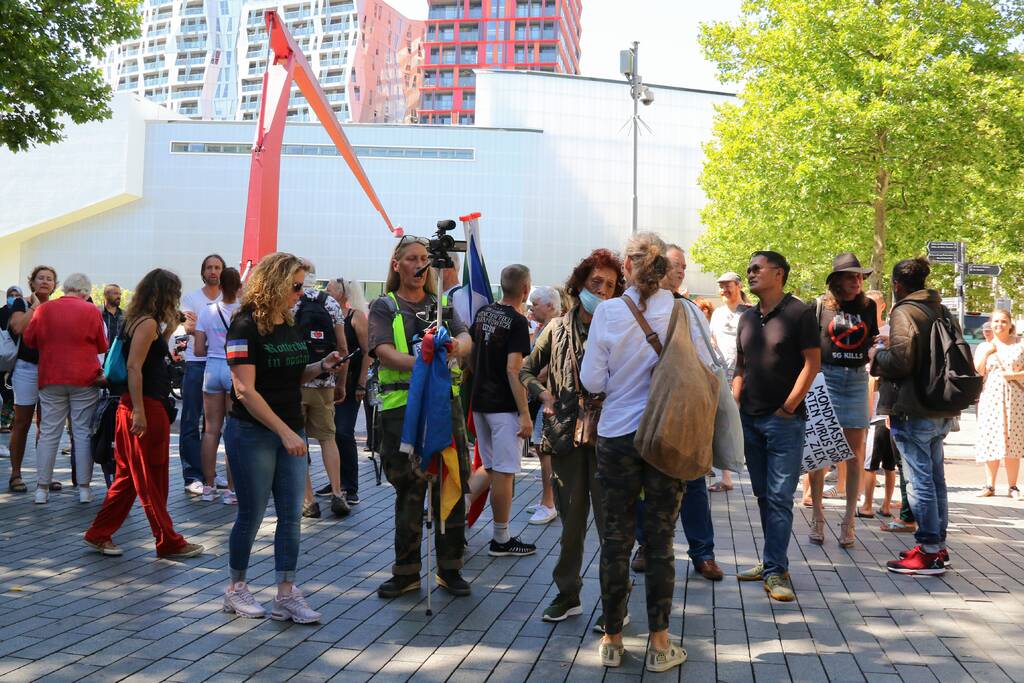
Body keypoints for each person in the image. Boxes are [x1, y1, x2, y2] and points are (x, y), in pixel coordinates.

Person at [580, 232, 687, 673]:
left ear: (627, 266)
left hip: (619, 437)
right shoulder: (683, 311)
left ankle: (612, 639)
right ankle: (661, 643)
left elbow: (592, 382)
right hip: (667, 437)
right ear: (663, 268)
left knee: (616, 539)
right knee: (660, 541)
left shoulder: (607, 312)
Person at [221, 252, 343, 623]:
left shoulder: (289, 322)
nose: (300, 294)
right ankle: (235, 589)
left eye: (302, 286)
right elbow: (245, 390)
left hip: (289, 430)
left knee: (291, 515)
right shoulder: (243, 326)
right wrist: (284, 430)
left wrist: (320, 367)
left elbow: (290, 376)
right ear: (273, 283)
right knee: (252, 514)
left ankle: (286, 594)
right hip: (252, 432)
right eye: (295, 286)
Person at [522, 250, 624, 624]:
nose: (601, 289)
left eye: (610, 285)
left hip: (610, 435)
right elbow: (527, 369)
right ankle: (568, 595)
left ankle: (616, 604)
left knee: (611, 524)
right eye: (596, 282)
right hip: (565, 435)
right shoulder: (558, 327)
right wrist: (543, 395)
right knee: (571, 522)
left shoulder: (620, 325)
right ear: (580, 283)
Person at [369, 236, 473, 599]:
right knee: (411, 487)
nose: (419, 265)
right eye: (411, 258)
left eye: (425, 259)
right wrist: (423, 367)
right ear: (397, 264)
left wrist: (458, 346)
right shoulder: (384, 306)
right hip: (403, 409)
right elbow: (382, 351)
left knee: (451, 484)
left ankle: (450, 569)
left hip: (446, 407)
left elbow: (465, 337)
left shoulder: (441, 303)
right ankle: (407, 572)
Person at [84, 269, 204, 560]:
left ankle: (99, 533)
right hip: (144, 406)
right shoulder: (146, 322)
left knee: (129, 476)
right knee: (150, 476)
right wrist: (139, 410)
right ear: (164, 293)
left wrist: (167, 329)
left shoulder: (138, 320)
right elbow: (135, 367)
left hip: (139, 405)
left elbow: (148, 356)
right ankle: (168, 540)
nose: (176, 297)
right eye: (173, 292)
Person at [633, 245, 723, 582]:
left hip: (686, 412)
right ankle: (645, 545)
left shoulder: (689, 310)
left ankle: (703, 553)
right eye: (675, 265)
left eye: (684, 266)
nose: (682, 271)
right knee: (645, 483)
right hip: (646, 410)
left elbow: (708, 359)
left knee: (694, 482)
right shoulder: (636, 307)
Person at [734, 251, 820, 602]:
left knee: (781, 498)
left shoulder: (800, 313)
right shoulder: (747, 318)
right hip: (749, 420)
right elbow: (740, 367)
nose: (750, 274)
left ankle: (775, 570)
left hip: (783, 422)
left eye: (757, 269)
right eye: (748, 269)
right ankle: (773, 562)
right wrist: (733, 404)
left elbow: (812, 365)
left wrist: (788, 407)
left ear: (779, 273)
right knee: (763, 495)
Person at [870, 257, 960, 575]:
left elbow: (901, 362)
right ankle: (937, 546)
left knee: (920, 481)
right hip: (940, 405)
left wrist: (876, 355)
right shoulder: (940, 308)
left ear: (897, 284)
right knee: (936, 480)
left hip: (913, 408)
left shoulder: (904, 310)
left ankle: (929, 551)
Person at [806, 253, 878, 548]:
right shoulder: (820, 307)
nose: (857, 281)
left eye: (860, 276)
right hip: (827, 377)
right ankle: (818, 516)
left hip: (857, 379)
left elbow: (872, 341)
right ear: (836, 280)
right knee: (819, 450)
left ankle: (849, 519)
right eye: (851, 276)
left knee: (856, 452)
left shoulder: (869, 307)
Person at [466, 265, 537, 558]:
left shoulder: (483, 314)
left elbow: (469, 353)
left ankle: (453, 514)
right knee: (504, 473)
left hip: (480, 402)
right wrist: (524, 413)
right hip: (504, 407)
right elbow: (513, 369)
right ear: (525, 289)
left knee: (491, 467)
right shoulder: (518, 322)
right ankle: (501, 537)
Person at [23, 273, 107, 504]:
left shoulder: (45, 309)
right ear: (86, 292)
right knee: (81, 433)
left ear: (65, 288)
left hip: (51, 376)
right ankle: (84, 489)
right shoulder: (92, 311)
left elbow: (30, 339)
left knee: (49, 433)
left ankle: (41, 489)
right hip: (84, 378)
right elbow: (102, 344)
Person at [292, 260, 350, 519]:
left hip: (296, 381)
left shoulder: (291, 300)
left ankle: (309, 500)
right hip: (325, 381)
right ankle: (337, 493)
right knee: (328, 438)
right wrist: (341, 383)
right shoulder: (331, 303)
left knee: (299, 439)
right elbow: (343, 348)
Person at [316, 277, 371, 506]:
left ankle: (351, 486)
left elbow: (368, 351)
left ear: (342, 293)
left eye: (330, 290)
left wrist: (361, 384)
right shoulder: (327, 315)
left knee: (344, 432)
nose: (326, 292)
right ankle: (336, 482)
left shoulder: (355, 316)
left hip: (349, 384)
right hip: (328, 383)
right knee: (330, 433)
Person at [6, 266, 58, 494]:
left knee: (47, 426)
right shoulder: (22, 303)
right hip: (26, 369)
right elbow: (17, 328)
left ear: (55, 284)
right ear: (33, 282)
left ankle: (44, 476)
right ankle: (15, 474)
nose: (45, 282)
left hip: (51, 370)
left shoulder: (58, 307)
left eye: (50, 279)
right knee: (22, 422)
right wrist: (35, 308)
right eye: (41, 278)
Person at [194, 267, 243, 505]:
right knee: (233, 431)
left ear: (220, 286)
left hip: (212, 368)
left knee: (211, 429)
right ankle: (232, 491)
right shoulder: (245, 312)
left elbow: (198, 350)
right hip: (236, 370)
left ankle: (208, 486)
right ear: (240, 287)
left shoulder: (207, 311)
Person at [179, 254, 225, 494]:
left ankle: (210, 473)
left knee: (214, 424)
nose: (213, 271)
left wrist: (202, 331)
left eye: (217, 267)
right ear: (203, 271)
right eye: (209, 267)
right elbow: (189, 328)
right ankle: (192, 475)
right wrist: (206, 334)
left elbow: (199, 330)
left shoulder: (230, 299)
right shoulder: (191, 298)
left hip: (220, 363)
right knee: (190, 420)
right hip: (196, 363)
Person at [973, 308, 1024, 498]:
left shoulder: (1020, 345)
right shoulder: (984, 346)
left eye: (1003, 321)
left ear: (1010, 324)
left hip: (1015, 398)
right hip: (991, 398)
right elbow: (978, 371)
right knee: (991, 440)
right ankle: (989, 485)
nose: (999, 325)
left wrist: (1014, 375)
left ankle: (1013, 486)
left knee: (1013, 441)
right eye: (996, 321)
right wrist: (987, 352)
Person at [708, 272, 750, 492]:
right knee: (721, 423)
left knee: (744, 422)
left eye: (728, 286)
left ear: (739, 286)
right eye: (721, 286)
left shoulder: (751, 313)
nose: (724, 290)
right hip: (721, 377)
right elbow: (712, 340)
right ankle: (725, 477)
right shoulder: (717, 313)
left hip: (746, 377)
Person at [860, 290, 898, 518]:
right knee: (867, 458)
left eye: (873, 305)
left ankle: (882, 504)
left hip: (883, 408)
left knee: (887, 461)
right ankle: (865, 502)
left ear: (882, 307)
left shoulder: (890, 333)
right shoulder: (860, 331)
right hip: (864, 405)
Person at [524, 285, 561, 526]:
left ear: (549, 306)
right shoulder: (547, 327)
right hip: (544, 398)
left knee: (544, 449)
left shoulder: (555, 328)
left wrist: (535, 374)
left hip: (551, 399)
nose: (530, 309)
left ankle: (549, 503)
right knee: (541, 448)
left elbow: (549, 365)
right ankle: (547, 500)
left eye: (534, 304)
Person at [0, 286, 21, 436]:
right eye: (10, 295)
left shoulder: (23, 313)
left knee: (10, 393)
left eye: (16, 295)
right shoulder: (2, 312)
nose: (13, 297)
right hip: (3, 357)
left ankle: (6, 422)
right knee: (5, 392)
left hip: (17, 360)